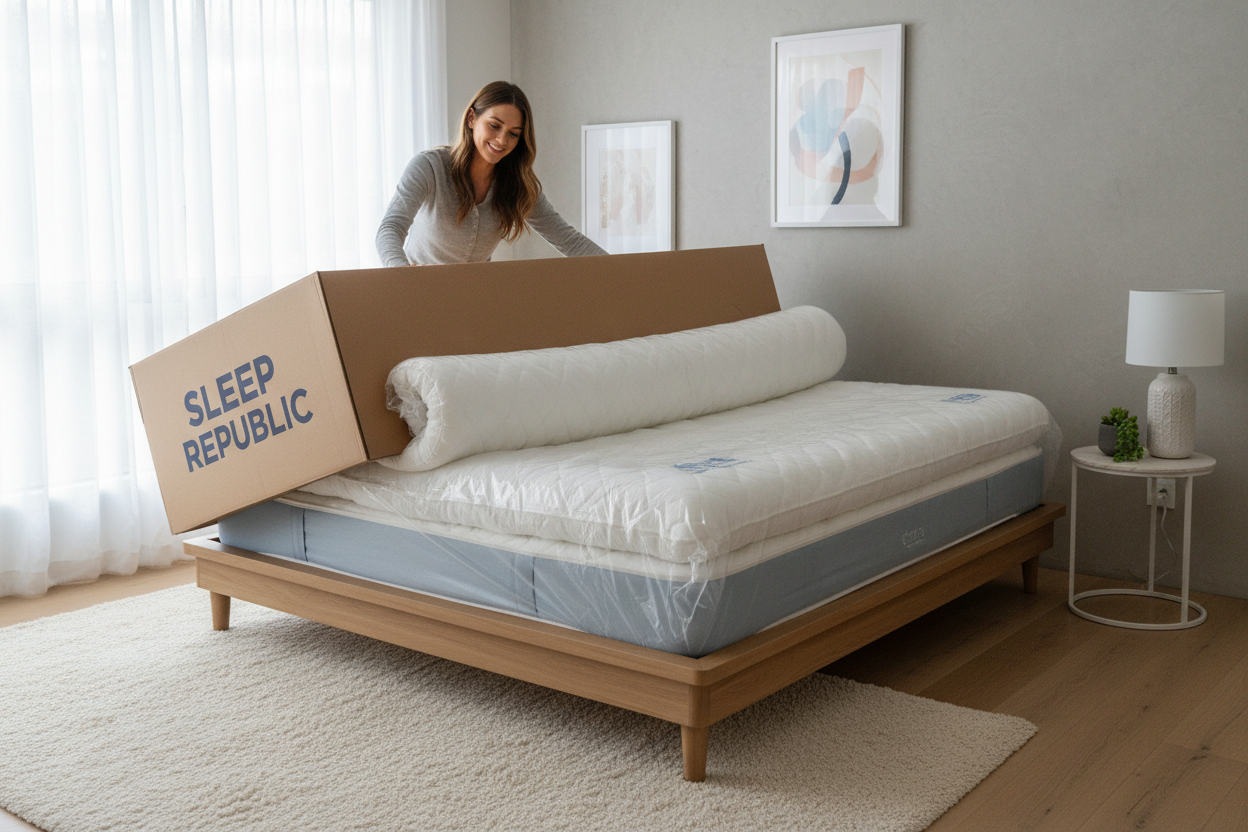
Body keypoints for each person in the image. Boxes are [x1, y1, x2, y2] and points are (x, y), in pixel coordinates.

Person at [376, 81, 607, 267]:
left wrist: (625, 273)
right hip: (418, 298)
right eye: (494, 126)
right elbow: (390, 228)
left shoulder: (518, 186)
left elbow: (570, 242)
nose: (501, 140)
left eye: (514, 134)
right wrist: (402, 275)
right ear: (471, 119)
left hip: (475, 305)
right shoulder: (429, 167)